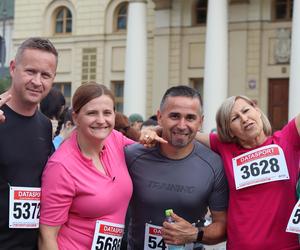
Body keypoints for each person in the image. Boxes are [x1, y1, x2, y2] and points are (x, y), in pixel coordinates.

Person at [125, 85, 228, 249]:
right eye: (174, 116)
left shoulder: (214, 164)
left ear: (201, 121)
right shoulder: (132, 156)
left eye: (190, 118)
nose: (181, 125)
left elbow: (223, 226)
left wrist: (195, 234)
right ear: (159, 117)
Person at [195, 95, 300, 250]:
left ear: (257, 111)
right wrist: (157, 130)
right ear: (229, 131)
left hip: (286, 246)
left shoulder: (287, 140)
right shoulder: (224, 148)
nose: (244, 119)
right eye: (235, 118)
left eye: (246, 111)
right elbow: (185, 132)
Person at [39, 82, 135, 250]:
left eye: (107, 113)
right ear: (75, 117)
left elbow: (152, 148)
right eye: (92, 113)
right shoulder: (61, 166)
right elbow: (47, 237)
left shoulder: (115, 138)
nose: (101, 120)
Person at [0, 37, 58, 250]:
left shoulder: (44, 125)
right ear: (13, 68)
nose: (37, 81)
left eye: (45, 75)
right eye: (30, 71)